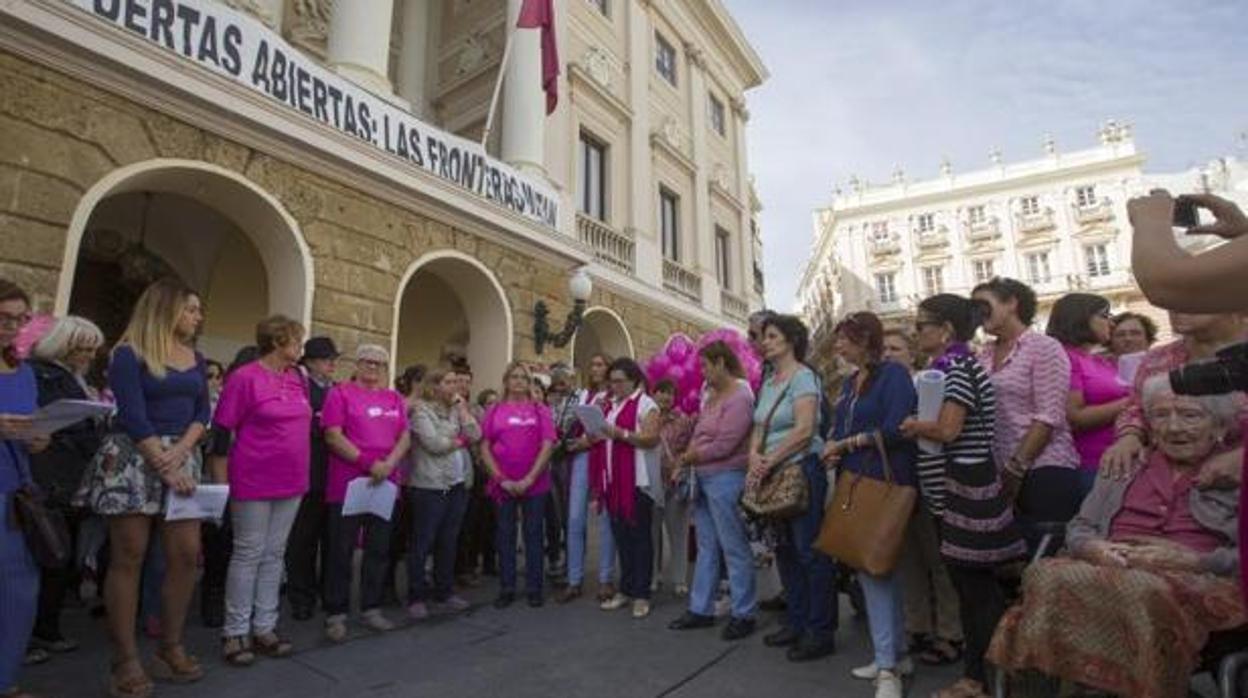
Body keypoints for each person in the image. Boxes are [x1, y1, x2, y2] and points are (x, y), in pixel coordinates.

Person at [987, 376, 1243, 698]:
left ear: (1220, 426)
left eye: (1190, 415)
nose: (1174, 427)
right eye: (1162, 415)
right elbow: (1081, 526)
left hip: (1200, 575)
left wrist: (1196, 560)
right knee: (1043, 573)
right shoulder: (1126, 464)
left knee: (1141, 589)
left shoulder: (1235, 475)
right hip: (1108, 567)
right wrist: (1091, 547)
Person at [75, 278, 210, 695]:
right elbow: (131, 413)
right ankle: (125, 659)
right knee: (129, 555)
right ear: (167, 309)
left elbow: (202, 411)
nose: (197, 316)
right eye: (191, 309)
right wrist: (162, 462)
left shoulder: (196, 357)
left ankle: (169, 646)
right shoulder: (128, 353)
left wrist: (182, 452)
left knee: (186, 555)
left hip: (181, 456)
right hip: (134, 455)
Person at [900, 295, 1026, 698]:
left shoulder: (956, 367)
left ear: (946, 331)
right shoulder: (950, 367)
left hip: (963, 488)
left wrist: (915, 425)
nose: (915, 333)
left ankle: (983, 680)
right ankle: (983, 677)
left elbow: (949, 430)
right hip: (953, 489)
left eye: (921, 326)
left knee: (975, 591)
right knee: (970, 588)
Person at [822, 311, 918, 698]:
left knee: (875, 571)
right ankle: (895, 654)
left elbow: (897, 429)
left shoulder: (892, 375)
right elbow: (841, 428)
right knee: (876, 570)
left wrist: (847, 444)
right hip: (854, 481)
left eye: (844, 339)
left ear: (865, 339)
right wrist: (835, 448)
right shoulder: (849, 383)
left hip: (885, 481)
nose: (838, 346)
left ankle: (888, 671)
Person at [210, 316, 312, 666]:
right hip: (253, 478)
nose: (301, 347)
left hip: (293, 480)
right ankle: (235, 630)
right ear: (278, 341)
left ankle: (265, 626)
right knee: (248, 552)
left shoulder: (299, 378)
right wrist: (221, 484)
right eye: (297, 340)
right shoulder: (244, 377)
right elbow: (222, 431)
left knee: (274, 553)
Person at [750, 315, 837, 662]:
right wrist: (753, 458)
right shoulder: (769, 381)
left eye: (772, 336)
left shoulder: (804, 377)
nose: (765, 342)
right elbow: (758, 426)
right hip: (771, 473)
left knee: (809, 552)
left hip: (801, 470)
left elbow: (804, 430)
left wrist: (768, 460)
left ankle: (820, 631)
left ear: (790, 341)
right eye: (764, 337)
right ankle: (796, 622)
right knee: (784, 550)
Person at [972, 278, 1082, 548]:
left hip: (1043, 466)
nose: (978, 314)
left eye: (983, 305)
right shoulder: (983, 354)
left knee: (1045, 560)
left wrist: (1016, 467)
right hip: (997, 473)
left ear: (1011, 303)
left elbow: (1049, 415)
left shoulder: (1043, 348)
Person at [881, 324, 965, 670]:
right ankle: (917, 627)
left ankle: (950, 632)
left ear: (911, 354)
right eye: (883, 350)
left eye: (896, 349)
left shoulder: (928, 382)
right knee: (908, 560)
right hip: (896, 485)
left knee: (939, 561)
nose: (888, 355)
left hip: (930, 482)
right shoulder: (881, 388)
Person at [26, 316, 106, 657]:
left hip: (65, 475)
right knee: (48, 556)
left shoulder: (71, 377)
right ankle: (37, 630)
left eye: (92, 350)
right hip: (51, 475)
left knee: (58, 554)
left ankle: (44, 627)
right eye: (82, 349)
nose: (88, 356)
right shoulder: (45, 374)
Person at [667, 341, 758, 640]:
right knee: (707, 546)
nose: (703, 373)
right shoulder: (713, 396)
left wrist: (692, 456)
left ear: (721, 363)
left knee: (733, 546)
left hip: (726, 477)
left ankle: (744, 612)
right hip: (704, 478)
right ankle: (701, 608)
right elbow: (700, 433)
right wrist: (688, 457)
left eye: (706, 366)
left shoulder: (741, 395)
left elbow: (726, 443)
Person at [320, 345, 411, 642]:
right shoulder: (340, 393)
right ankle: (336, 613)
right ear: (357, 364)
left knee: (378, 549)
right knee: (341, 550)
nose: (373, 368)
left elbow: (405, 437)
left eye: (379, 364)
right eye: (367, 362)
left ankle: (371, 608)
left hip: (385, 483)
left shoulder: (394, 397)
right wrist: (367, 462)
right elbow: (333, 436)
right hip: (348, 484)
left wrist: (389, 464)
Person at [0, 280, 51, 698]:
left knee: (19, 591)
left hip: (16, 494)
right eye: (4, 318)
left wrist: (39, 437)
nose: (12, 327)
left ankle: (5, 679)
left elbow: (32, 425)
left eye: (20, 319)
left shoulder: (25, 372)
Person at [406, 367, 481, 619]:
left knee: (449, 541)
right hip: (430, 486)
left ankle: (444, 591)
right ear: (434, 386)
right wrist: (459, 440)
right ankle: (416, 596)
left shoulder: (456, 409)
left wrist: (462, 411)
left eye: (455, 382)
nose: (455, 387)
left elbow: (476, 434)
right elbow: (434, 444)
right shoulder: (421, 410)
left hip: (458, 484)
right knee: (423, 541)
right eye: (449, 382)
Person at [480, 361, 556, 609]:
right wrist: (501, 479)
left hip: (534, 483)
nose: (519, 382)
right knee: (505, 536)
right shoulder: (495, 410)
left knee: (534, 536)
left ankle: (535, 587)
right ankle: (507, 587)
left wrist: (529, 478)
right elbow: (484, 447)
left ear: (529, 382)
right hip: (503, 485)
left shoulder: (539, 409)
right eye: (514, 377)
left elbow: (547, 445)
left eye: (523, 377)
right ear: (506, 381)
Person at [592, 358, 663, 619]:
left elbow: (651, 438)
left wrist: (619, 433)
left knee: (640, 539)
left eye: (620, 380)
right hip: (614, 481)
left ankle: (642, 594)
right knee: (621, 538)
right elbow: (603, 437)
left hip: (637, 482)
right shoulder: (611, 406)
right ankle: (626, 588)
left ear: (634, 379)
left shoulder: (646, 404)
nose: (615, 385)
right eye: (612, 381)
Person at [1046, 293, 1130, 496]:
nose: (1111, 323)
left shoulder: (1100, 361)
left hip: (1122, 460)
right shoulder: (1064, 357)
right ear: (1080, 318)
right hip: (1092, 466)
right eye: (1104, 316)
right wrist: (1133, 401)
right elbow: (1074, 417)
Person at [285, 336, 338, 621]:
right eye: (327, 359)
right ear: (312, 361)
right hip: (307, 473)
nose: (332, 364)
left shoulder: (338, 390)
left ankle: (328, 593)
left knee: (332, 540)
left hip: (334, 474)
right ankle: (301, 596)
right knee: (303, 541)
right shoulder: (301, 388)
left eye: (333, 359)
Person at [558, 353, 618, 604]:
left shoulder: (615, 397)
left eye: (600, 364)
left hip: (604, 455)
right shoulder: (584, 395)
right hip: (582, 457)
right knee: (574, 519)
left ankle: (605, 579)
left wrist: (588, 440)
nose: (595, 368)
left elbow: (614, 428)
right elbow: (573, 423)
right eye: (592, 364)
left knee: (605, 519)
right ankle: (574, 579)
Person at [652, 379, 693, 596]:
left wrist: (681, 466)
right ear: (653, 393)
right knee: (651, 532)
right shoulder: (647, 418)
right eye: (661, 392)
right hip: (651, 482)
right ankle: (653, 576)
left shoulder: (682, 420)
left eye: (670, 393)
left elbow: (690, 447)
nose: (665, 397)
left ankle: (680, 579)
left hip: (676, 481)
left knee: (678, 532)